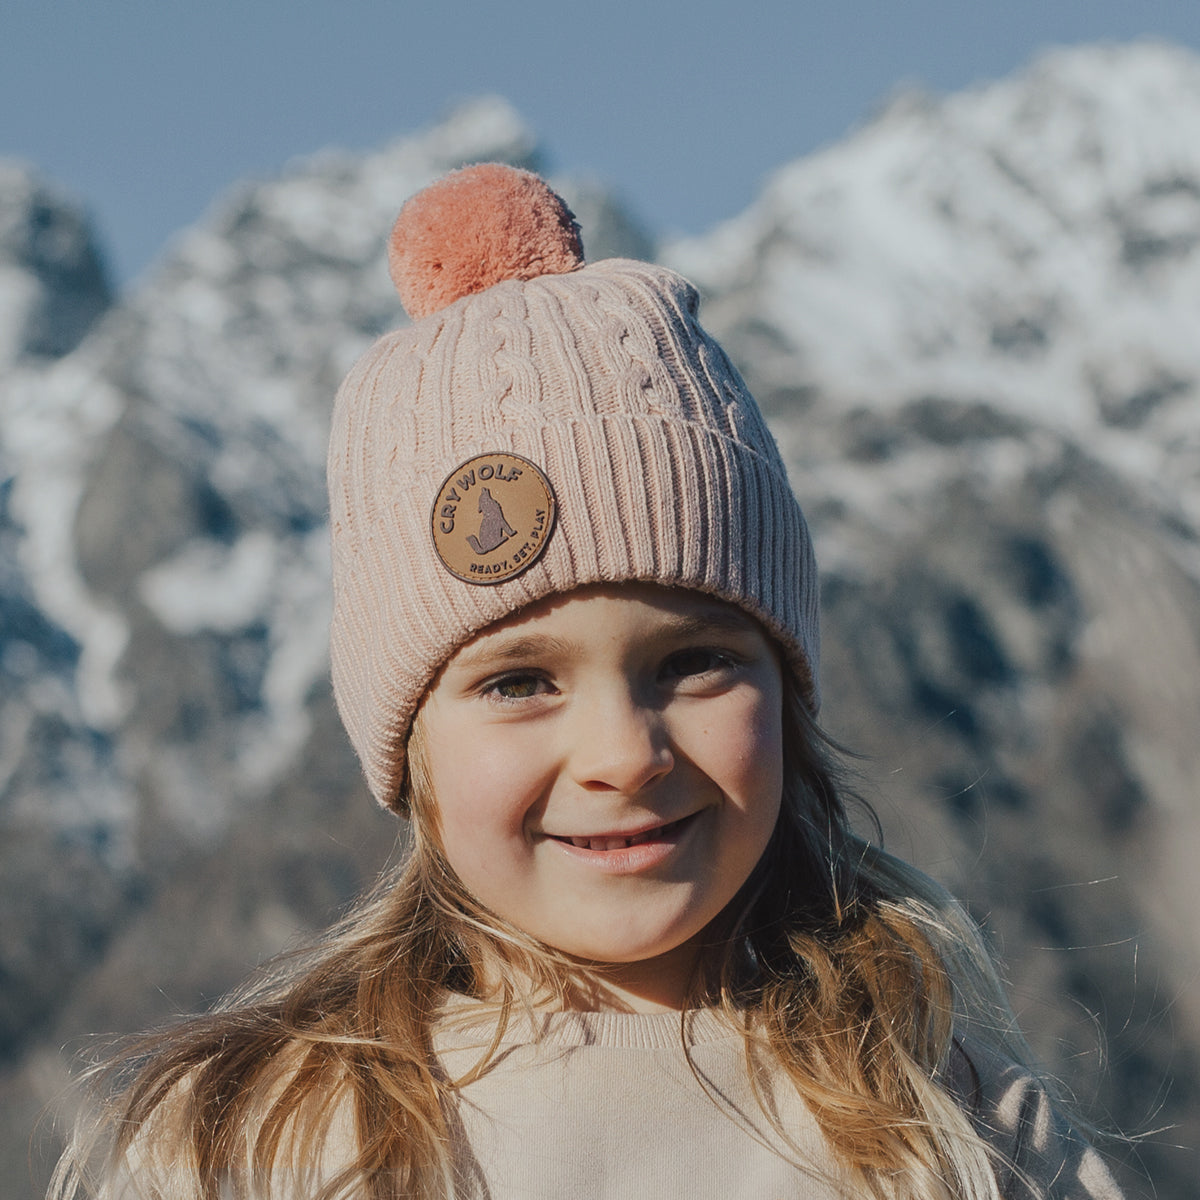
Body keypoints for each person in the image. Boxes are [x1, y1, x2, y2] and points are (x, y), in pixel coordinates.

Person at [50, 163, 1126, 1199]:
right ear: (409, 746)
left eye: (695, 662)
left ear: (788, 691)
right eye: (519, 682)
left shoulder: (956, 1129)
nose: (623, 755)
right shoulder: (249, 1145)